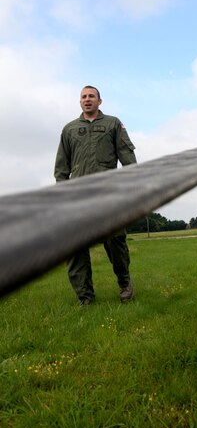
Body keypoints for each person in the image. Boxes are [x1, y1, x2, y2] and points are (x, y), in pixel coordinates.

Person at [54, 86, 137, 307]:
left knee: (115, 241)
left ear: (100, 101)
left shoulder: (112, 124)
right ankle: (86, 298)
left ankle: (125, 283)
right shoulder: (69, 130)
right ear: (79, 102)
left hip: (108, 195)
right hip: (77, 198)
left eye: (92, 96)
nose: (87, 100)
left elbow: (127, 156)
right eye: (84, 97)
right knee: (75, 247)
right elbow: (61, 169)